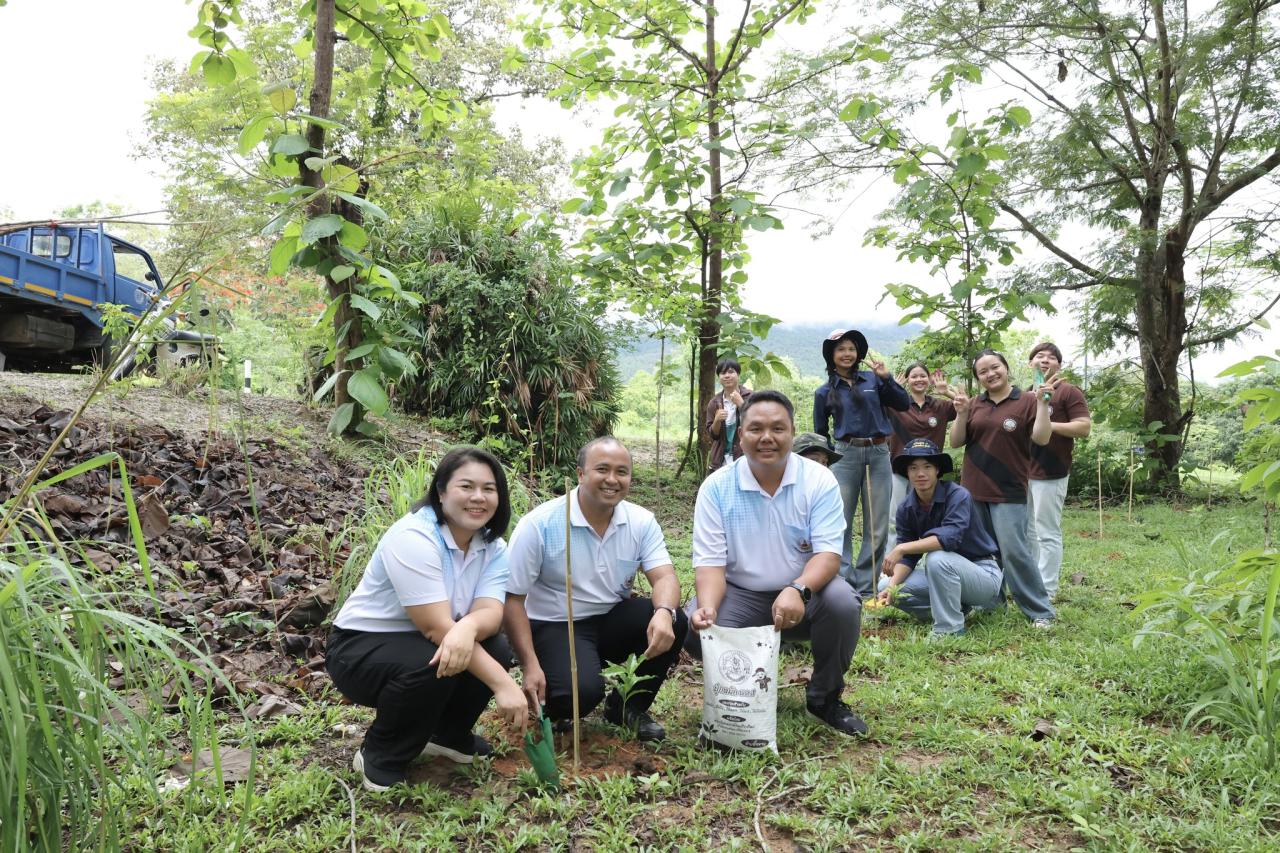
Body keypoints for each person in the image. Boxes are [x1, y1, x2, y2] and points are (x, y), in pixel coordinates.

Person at [326, 446, 528, 792]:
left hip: (428, 638)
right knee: (431, 660)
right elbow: (434, 627)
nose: (478, 497)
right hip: (360, 647)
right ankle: (379, 755)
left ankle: (446, 735)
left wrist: (467, 626)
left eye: (489, 489)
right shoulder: (414, 537)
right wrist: (504, 684)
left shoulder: (493, 547)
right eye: (466, 487)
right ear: (441, 491)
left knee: (494, 644)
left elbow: (491, 614)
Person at [686, 390, 867, 736]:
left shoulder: (818, 480)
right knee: (699, 631)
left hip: (806, 592)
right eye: (755, 429)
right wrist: (708, 608)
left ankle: (824, 696)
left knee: (843, 603)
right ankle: (742, 695)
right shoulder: (717, 487)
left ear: (792, 432)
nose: (766, 438)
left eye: (777, 429)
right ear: (741, 435)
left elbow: (828, 555)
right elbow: (710, 563)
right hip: (742, 592)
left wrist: (798, 588)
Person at [505, 437, 688, 742]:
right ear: (580, 474)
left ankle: (627, 707)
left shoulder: (640, 521)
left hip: (609, 619)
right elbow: (512, 600)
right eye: (602, 469)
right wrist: (529, 664)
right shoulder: (541, 524)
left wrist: (665, 613)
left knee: (674, 618)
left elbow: (665, 576)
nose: (612, 480)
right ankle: (555, 700)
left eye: (622, 472)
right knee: (578, 696)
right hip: (555, 624)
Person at [949, 349, 1058, 628]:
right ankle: (991, 604)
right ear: (978, 378)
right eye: (983, 371)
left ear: (1006, 368)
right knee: (983, 552)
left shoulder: (1026, 401)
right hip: (973, 489)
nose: (990, 374)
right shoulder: (974, 403)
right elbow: (956, 442)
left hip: (1009, 489)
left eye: (994, 367)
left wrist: (1044, 405)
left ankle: (1040, 611)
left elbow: (1042, 438)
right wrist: (961, 414)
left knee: (1014, 551)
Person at [813, 329, 910, 597]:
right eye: (840, 349)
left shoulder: (873, 380)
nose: (847, 354)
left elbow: (903, 403)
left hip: (878, 453)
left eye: (851, 349)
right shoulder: (824, 392)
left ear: (858, 353)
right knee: (839, 520)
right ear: (831, 356)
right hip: (844, 456)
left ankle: (867, 587)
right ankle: (843, 583)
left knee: (876, 523)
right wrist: (824, 459)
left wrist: (887, 378)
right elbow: (820, 432)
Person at [877, 439, 1004, 638]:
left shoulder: (958, 495)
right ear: (907, 473)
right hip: (945, 574)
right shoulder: (906, 508)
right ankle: (960, 609)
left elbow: (949, 539)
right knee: (887, 586)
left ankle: (950, 628)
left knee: (937, 558)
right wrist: (892, 587)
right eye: (913, 468)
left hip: (982, 574)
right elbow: (910, 557)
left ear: (937, 470)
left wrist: (901, 548)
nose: (920, 473)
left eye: (927, 467)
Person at [1026, 343, 1092, 599]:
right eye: (1039, 357)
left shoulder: (1067, 392)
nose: (1044, 361)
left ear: (1059, 365)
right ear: (1029, 364)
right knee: (1028, 532)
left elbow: (1084, 427)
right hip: (1022, 471)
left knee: (1046, 531)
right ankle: (1031, 583)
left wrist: (1046, 423)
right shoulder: (1023, 395)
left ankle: (1048, 589)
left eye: (1051, 358)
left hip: (1051, 471)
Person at [887, 362, 958, 548]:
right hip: (899, 470)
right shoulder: (895, 405)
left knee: (931, 517)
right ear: (908, 381)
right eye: (914, 376)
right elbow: (874, 405)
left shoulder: (940, 406)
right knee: (895, 520)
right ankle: (891, 564)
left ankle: (928, 563)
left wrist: (946, 392)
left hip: (930, 472)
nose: (919, 379)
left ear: (929, 379)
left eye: (922, 376)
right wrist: (892, 389)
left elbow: (969, 406)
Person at [706, 357, 752, 472]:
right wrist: (716, 421)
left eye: (731, 372)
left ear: (738, 374)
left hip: (745, 457)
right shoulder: (714, 402)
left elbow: (758, 423)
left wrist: (742, 404)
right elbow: (713, 435)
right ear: (719, 378)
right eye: (722, 373)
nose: (727, 376)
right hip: (721, 461)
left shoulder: (751, 397)